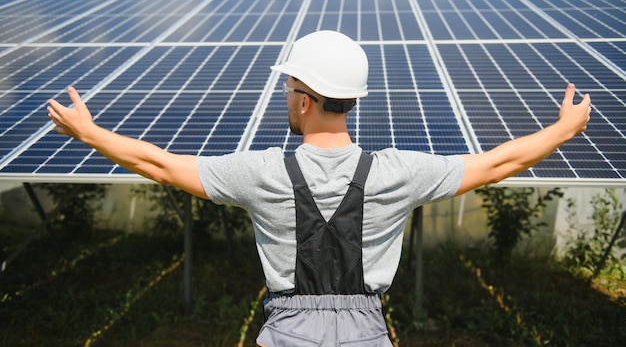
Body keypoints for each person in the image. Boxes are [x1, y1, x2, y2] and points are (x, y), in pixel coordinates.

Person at [47, 30, 591, 347]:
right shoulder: (397, 171)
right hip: (368, 334)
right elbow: (495, 164)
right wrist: (563, 130)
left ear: (305, 100)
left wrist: (89, 131)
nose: (286, 96)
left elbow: (161, 165)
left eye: (289, 87)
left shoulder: (261, 172)